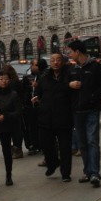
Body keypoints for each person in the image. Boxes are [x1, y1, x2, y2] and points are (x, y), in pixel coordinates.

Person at [67, 39, 101, 188]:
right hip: (77, 110)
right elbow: (64, 88)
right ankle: (87, 171)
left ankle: (95, 173)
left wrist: (93, 97)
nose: (69, 55)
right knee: (82, 143)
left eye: (70, 52)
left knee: (92, 141)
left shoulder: (96, 67)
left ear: (77, 52)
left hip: (91, 109)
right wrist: (69, 84)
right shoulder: (71, 70)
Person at [33, 53, 74, 181]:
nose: (55, 62)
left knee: (65, 147)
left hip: (64, 116)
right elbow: (38, 93)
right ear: (50, 62)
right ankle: (52, 163)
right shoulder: (44, 77)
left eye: (58, 60)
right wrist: (36, 98)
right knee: (45, 144)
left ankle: (66, 174)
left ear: (62, 62)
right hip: (46, 117)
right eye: (53, 60)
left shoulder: (70, 75)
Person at [1, 64, 25, 159]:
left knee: (14, 131)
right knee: (15, 131)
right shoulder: (16, 82)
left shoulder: (12, 84)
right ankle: (16, 148)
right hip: (15, 110)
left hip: (13, 110)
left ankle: (17, 149)